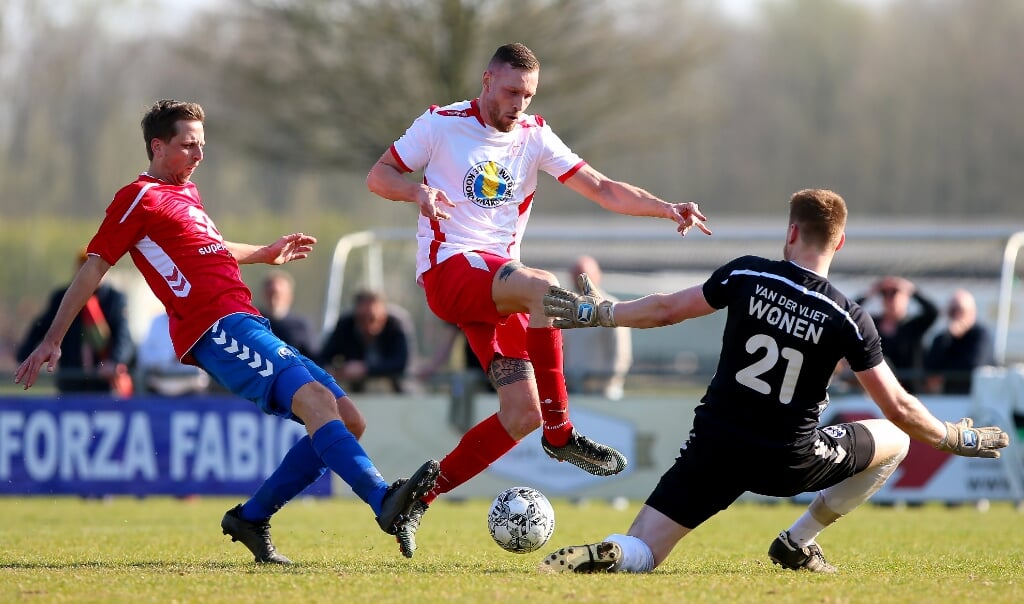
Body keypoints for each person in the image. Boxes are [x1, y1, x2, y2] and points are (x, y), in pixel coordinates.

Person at [14, 99, 439, 564]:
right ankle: (383, 501)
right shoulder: (138, 197)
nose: (199, 155)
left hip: (245, 319)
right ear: (158, 147)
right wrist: (54, 337)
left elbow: (209, 250)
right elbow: (95, 266)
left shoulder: (186, 196)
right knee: (317, 403)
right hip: (214, 328)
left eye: (202, 145)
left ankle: (251, 518)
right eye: (188, 145)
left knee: (348, 417)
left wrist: (264, 252)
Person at [538, 188, 1009, 574]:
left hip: (716, 447)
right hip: (790, 461)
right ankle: (797, 542)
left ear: (791, 232)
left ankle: (618, 550)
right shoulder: (848, 317)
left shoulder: (747, 273)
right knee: (898, 442)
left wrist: (600, 311)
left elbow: (664, 310)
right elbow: (899, 409)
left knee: (644, 546)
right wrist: (955, 436)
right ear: (839, 242)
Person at [365, 42, 711, 558]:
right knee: (540, 285)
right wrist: (418, 193)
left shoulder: (533, 134)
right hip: (451, 271)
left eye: (527, 95)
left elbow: (603, 187)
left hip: (497, 293)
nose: (518, 104)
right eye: (510, 92)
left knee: (520, 412)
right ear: (486, 81)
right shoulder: (439, 124)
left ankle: (414, 500)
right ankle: (565, 422)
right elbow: (379, 176)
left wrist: (666, 209)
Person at [17, 248, 134, 396]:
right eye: (83, 266)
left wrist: (115, 361)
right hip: (71, 377)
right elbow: (42, 326)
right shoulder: (63, 297)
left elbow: (123, 335)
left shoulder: (114, 298)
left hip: (102, 380)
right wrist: (25, 356)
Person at [561, 256, 632, 400]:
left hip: (603, 393)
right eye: (576, 276)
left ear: (597, 275)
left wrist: (608, 383)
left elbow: (621, 353)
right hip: (572, 391)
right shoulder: (565, 310)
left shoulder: (610, 307)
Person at [856, 275, 938, 393]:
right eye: (884, 294)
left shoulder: (913, 325)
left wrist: (912, 290)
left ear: (906, 298)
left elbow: (933, 312)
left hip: (911, 389)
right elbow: (849, 315)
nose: (890, 299)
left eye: (894, 294)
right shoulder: (873, 324)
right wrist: (870, 293)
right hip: (880, 389)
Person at [320, 289, 413, 393]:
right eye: (362, 319)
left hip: (393, 389)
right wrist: (336, 369)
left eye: (373, 318)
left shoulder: (396, 324)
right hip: (355, 389)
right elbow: (323, 358)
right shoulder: (345, 325)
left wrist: (365, 368)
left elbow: (401, 363)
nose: (368, 325)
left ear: (384, 314)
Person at [924, 289, 994, 395]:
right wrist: (946, 338)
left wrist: (944, 371)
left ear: (972, 313)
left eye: (960, 310)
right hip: (950, 397)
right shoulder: (942, 339)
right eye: (952, 311)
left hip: (978, 398)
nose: (956, 315)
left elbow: (973, 366)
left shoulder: (980, 335)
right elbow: (930, 368)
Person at [136, 311, 211, 396]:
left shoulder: (199, 321)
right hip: (160, 386)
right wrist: (169, 357)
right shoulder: (156, 322)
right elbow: (144, 357)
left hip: (192, 387)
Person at [259, 269, 318, 359]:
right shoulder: (255, 321)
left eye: (278, 295)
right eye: (270, 294)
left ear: (289, 296)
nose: (273, 299)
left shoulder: (300, 325)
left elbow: (313, 358)